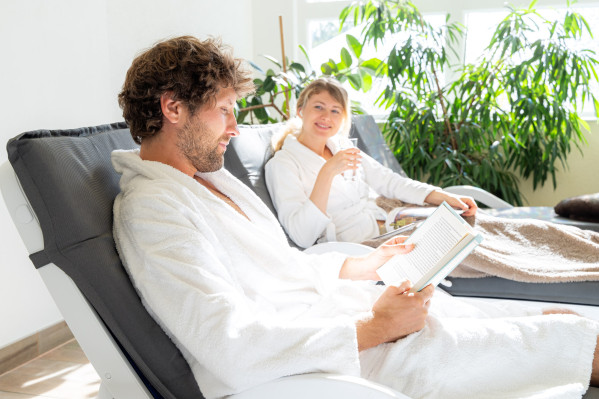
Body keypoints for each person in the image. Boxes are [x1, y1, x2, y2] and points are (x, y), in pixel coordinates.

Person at [112, 35, 599, 399]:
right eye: (224, 112)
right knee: (563, 341)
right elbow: (229, 345)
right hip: (327, 366)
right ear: (173, 107)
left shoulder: (208, 182)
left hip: (341, 319)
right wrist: (373, 327)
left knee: (555, 316)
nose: (236, 130)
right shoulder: (154, 211)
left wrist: (364, 267)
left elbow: (284, 265)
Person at [265, 77, 477, 248]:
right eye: (318, 107)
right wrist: (327, 173)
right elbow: (301, 236)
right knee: (456, 242)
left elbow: (390, 181)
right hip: (354, 246)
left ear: (343, 117)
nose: (326, 117)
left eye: (335, 110)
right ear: (300, 111)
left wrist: (444, 196)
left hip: (388, 225)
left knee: (464, 224)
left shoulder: (341, 145)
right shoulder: (283, 164)